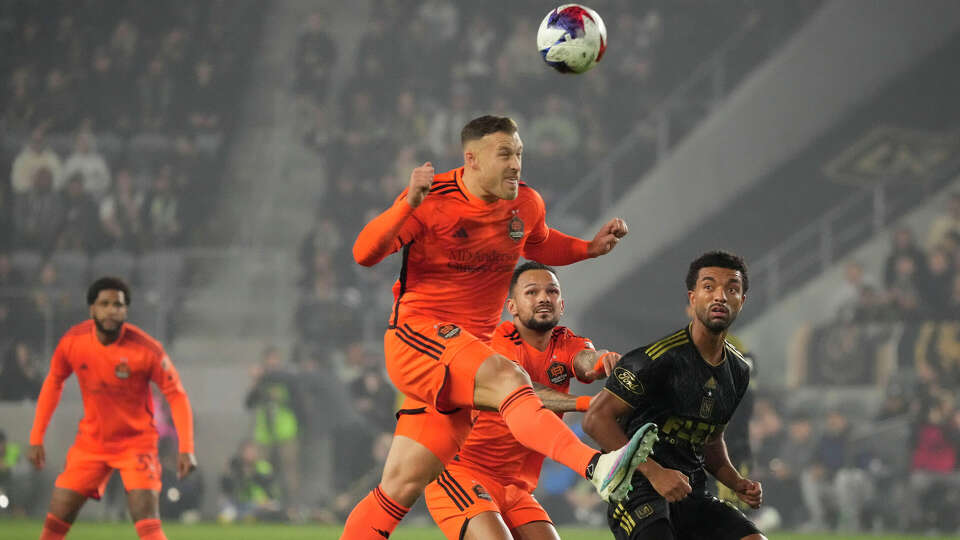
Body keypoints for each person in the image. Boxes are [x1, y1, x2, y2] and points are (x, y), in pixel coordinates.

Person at [343, 115, 656, 539]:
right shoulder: (432, 199)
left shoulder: (525, 204)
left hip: (461, 360)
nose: (515, 164)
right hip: (418, 338)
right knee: (511, 377)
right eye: (505, 154)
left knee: (398, 488)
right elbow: (364, 253)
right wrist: (406, 204)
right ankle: (595, 465)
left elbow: (541, 242)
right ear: (471, 159)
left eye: (519, 154)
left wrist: (588, 249)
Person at [424, 261, 621, 539]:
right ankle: (595, 466)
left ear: (562, 305)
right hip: (462, 473)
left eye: (552, 291)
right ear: (512, 306)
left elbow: (587, 360)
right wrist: (588, 403)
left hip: (515, 488)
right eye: (531, 292)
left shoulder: (567, 343)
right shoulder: (495, 343)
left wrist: (606, 361)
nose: (543, 297)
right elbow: (525, 394)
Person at [584, 250, 766, 540]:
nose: (720, 296)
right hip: (638, 491)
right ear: (693, 298)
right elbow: (595, 419)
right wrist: (655, 472)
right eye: (709, 287)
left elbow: (710, 439)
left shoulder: (739, 371)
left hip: (692, 492)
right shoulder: (653, 360)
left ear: (741, 301)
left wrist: (736, 481)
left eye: (731, 289)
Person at [27, 277, 196, 540]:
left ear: (125, 310)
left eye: (118, 304)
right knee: (58, 513)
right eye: (104, 304)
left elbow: (176, 394)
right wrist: (37, 437)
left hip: (136, 443)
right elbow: (54, 382)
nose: (111, 310)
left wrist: (186, 447)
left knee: (145, 512)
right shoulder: (74, 341)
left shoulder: (147, 349)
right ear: (92, 309)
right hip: (91, 444)